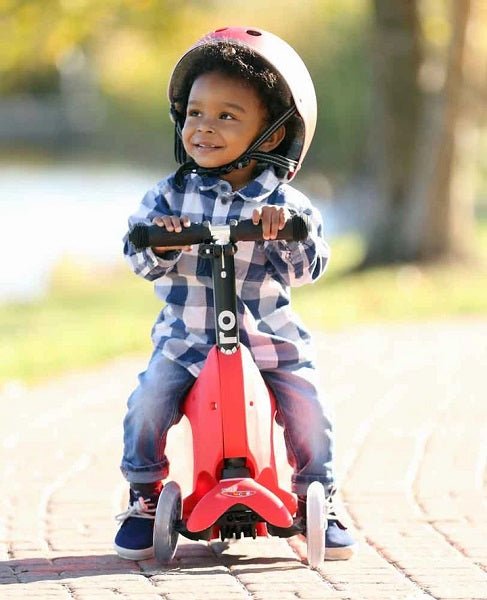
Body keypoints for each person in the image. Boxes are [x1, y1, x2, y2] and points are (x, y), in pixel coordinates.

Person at [114, 26, 356, 561]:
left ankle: (318, 494)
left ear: (270, 135)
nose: (204, 127)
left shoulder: (285, 203)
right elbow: (137, 255)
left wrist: (287, 233)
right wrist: (161, 242)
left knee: (308, 408)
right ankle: (145, 494)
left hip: (270, 340)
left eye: (227, 116)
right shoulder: (168, 197)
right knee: (148, 402)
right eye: (195, 113)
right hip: (186, 340)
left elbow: (309, 268)